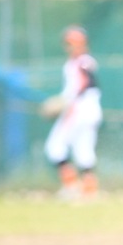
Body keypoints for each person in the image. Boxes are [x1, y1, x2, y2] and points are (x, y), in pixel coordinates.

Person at [43, 24, 103, 201]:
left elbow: (83, 82)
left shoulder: (80, 62)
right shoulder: (87, 61)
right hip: (92, 110)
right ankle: (90, 190)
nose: (72, 47)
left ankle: (71, 187)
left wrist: (65, 103)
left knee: (55, 146)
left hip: (78, 109)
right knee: (84, 150)